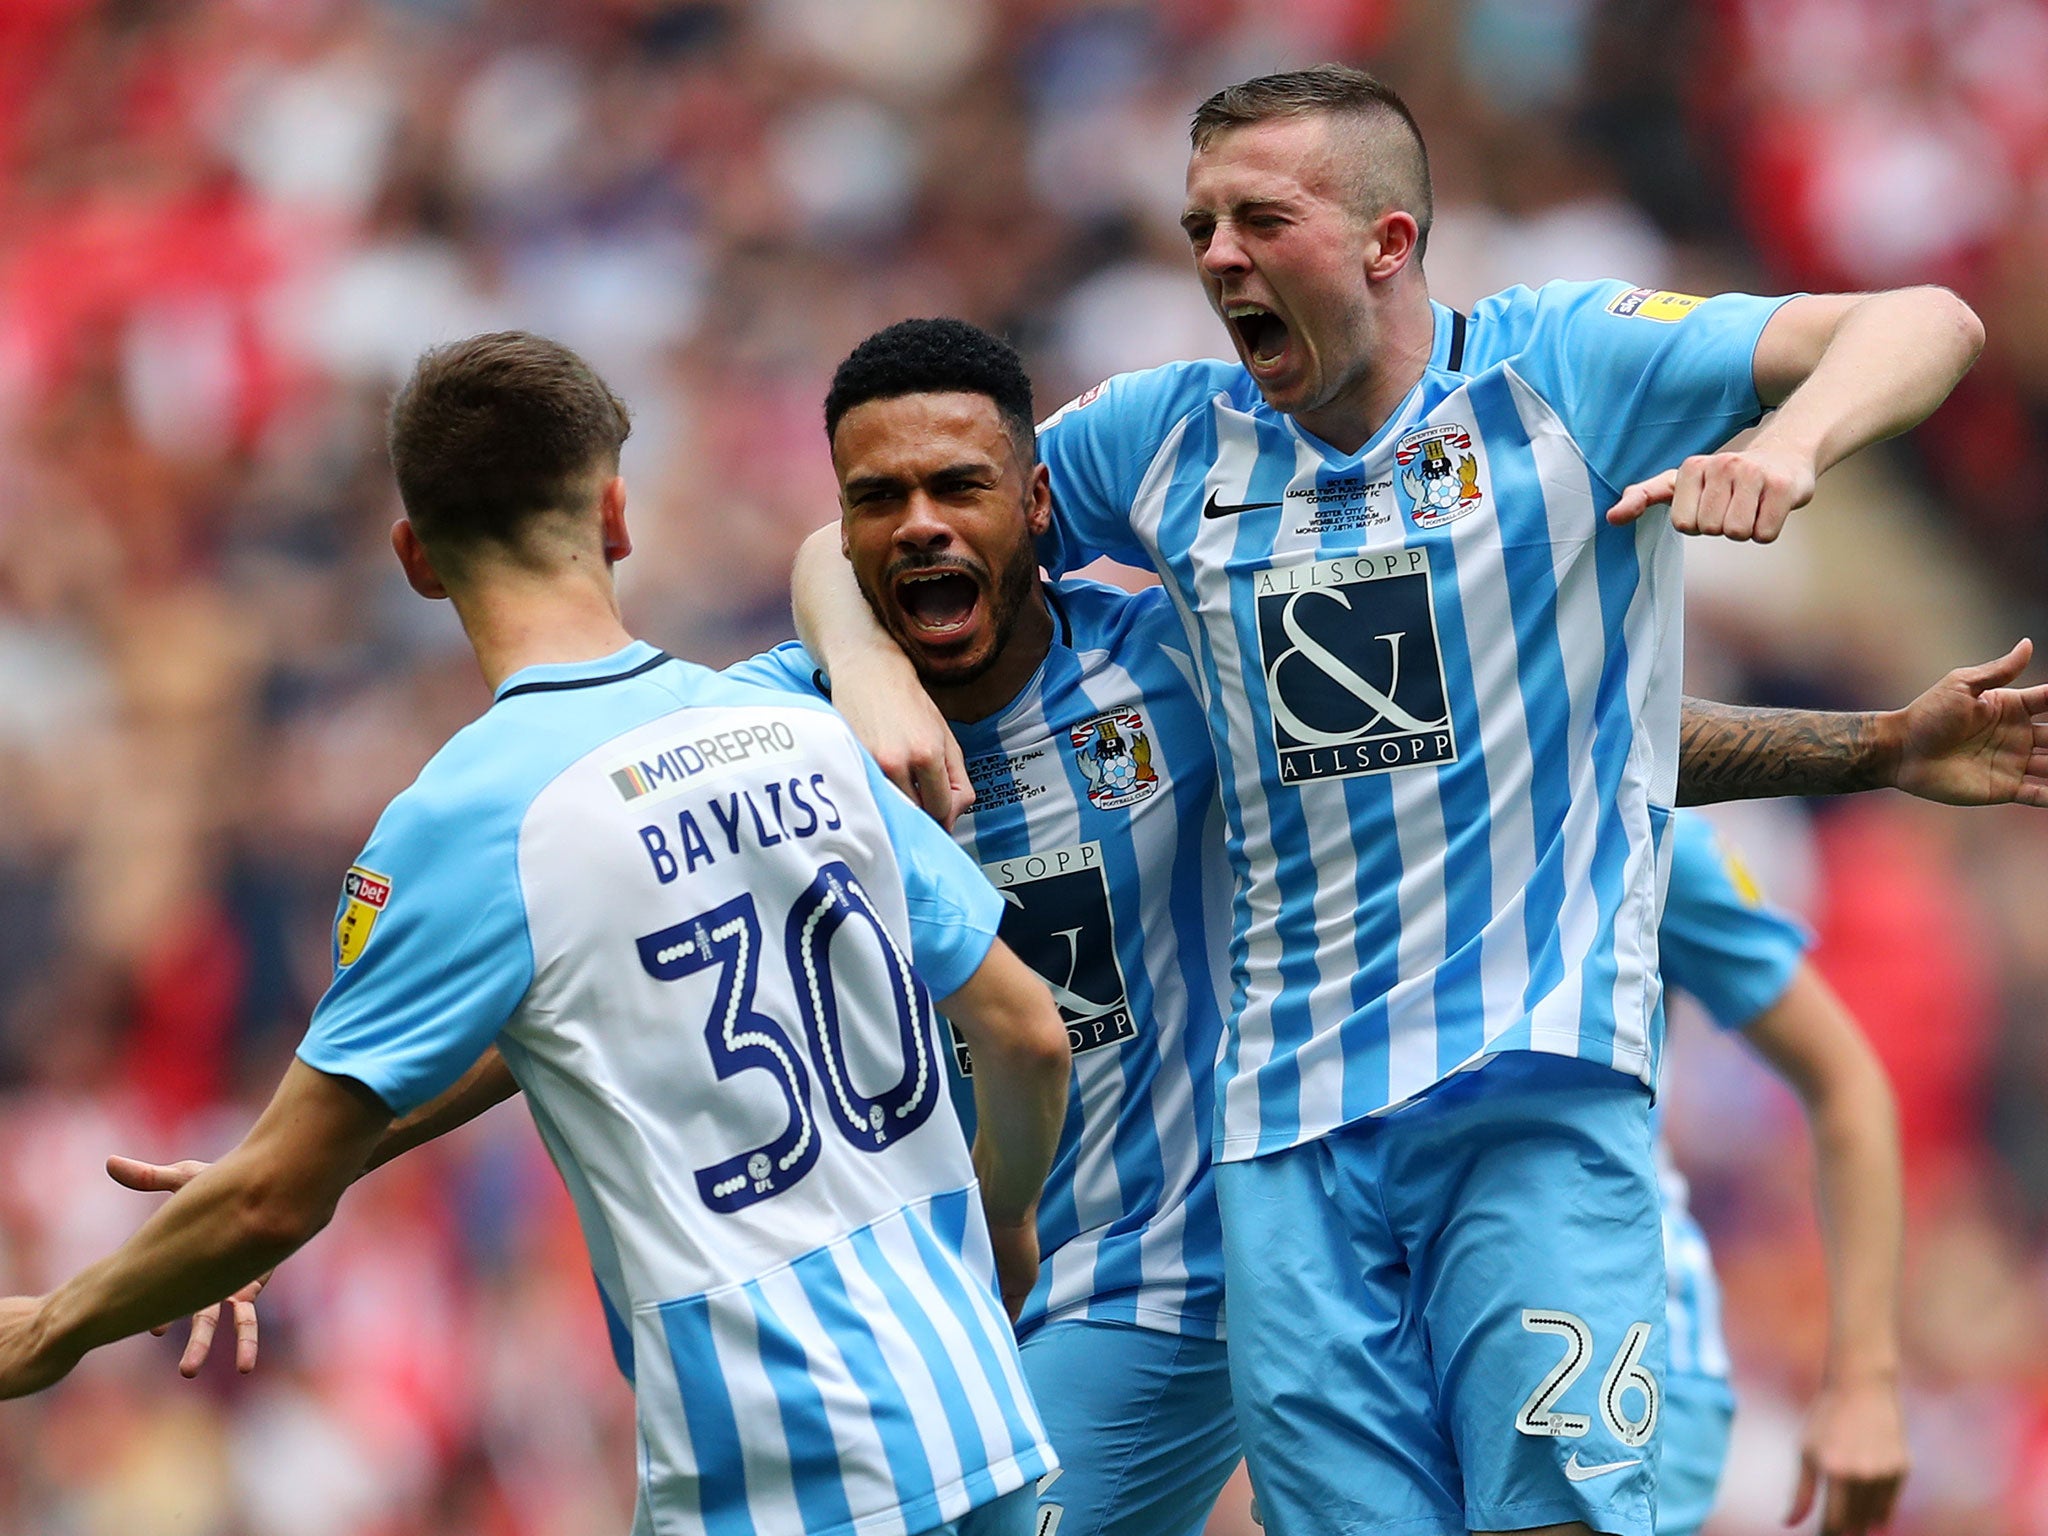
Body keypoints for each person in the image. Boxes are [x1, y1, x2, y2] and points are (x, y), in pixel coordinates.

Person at [124, 322, 2042, 1536]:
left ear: (1038, 507)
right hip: (969, 1303)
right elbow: (562, 1000)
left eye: (961, 486)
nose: (921, 525)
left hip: (1170, 1260)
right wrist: (307, 1161)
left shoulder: (1184, 668)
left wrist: (1875, 742)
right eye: (874, 503)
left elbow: (1517, 753)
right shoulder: (774, 728)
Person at [789, 65, 1987, 1536]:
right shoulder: (1167, 439)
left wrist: (1790, 447)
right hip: (1283, 1154)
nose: (1216, 253)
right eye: (1198, 225)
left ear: (1386, 240)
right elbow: (900, 503)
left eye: (1258, 218)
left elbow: (1925, 320)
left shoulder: (1564, 366)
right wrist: (866, 667)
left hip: (1525, 1095)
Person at [0, 331, 1078, 1536]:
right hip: (984, 1421)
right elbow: (1027, 1031)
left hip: (785, 1469)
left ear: (415, 559)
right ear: (617, 516)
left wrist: (52, 1327)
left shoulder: (466, 821)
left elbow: (265, 1201)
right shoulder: (787, 725)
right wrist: (1003, 1223)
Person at [1654, 812, 1907, 1536]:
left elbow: (1847, 1080)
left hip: (1623, 1356)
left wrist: (1864, 1382)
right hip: (1363, 1329)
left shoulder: (1636, 830)